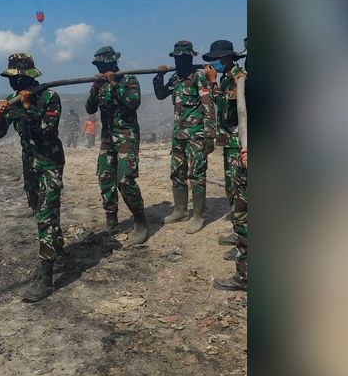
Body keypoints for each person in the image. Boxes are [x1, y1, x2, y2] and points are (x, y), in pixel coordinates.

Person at [0, 52, 65, 302]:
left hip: (49, 163)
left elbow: (47, 133)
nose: (12, 83)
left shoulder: (48, 98)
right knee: (38, 209)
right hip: (30, 164)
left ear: (25, 78)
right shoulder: (12, 99)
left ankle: (46, 279)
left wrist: (28, 107)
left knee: (45, 216)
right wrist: (1, 115)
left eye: (15, 79)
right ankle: (58, 246)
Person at [85, 46, 149, 243]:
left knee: (125, 180)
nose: (101, 68)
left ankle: (140, 220)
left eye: (103, 64)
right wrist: (95, 87)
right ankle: (111, 219)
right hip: (107, 138)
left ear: (112, 63)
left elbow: (132, 103)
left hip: (126, 137)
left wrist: (114, 83)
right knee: (105, 178)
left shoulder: (128, 79)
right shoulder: (99, 83)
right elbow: (90, 108)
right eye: (98, 65)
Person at [153, 40, 217, 234]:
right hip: (178, 135)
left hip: (196, 135)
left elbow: (208, 107)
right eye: (177, 58)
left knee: (196, 175)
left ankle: (198, 216)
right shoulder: (175, 79)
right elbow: (160, 94)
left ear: (190, 58)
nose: (180, 61)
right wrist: (159, 76)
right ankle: (180, 210)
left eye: (184, 58)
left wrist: (209, 135)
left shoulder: (199, 78)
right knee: (177, 173)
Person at [203, 39, 247, 291]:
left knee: (240, 194)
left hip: (237, 144)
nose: (213, 65)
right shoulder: (230, 77)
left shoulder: (236, 79)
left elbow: (229, 112)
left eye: (216, 60)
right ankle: (239, 237)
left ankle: (244, 252)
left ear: (227, 58)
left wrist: (213, 86)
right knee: (233, 190)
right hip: (230, 142)